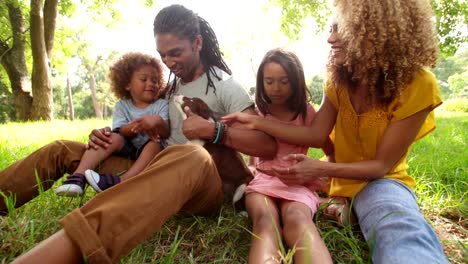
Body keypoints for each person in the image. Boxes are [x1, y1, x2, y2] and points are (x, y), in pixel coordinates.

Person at [6, 4, 276, 263]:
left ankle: (67, 250)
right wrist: (107, 136)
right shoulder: (171, 86)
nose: (169, 62)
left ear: (198, 43)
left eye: (176, 52)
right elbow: (145, 121)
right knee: (63, 149)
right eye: (163, 55)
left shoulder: (225, 86)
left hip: (201, 183)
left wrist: (215, 131)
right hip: (151, 169)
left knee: (191, 153)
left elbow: (266, 145)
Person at [222, 0, 448, 262]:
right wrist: (258, 123)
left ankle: (351, 209)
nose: (331, 38)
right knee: (270, 221)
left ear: (376, 30)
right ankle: (345, 207)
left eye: (343, 28)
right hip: (334, 184)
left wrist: (319, 169)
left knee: (398, 226)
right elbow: (317, 136)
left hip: (377, 183)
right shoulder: (339, 80)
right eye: (331, 27)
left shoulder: (418, 84)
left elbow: (379, 167)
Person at [245, 48, 333, 263]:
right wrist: (253, 167)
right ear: (261, 82)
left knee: (297, 218)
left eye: (284, 81)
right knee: (265, 221)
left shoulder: (306, 113)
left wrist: (329, 175)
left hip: (297, 183)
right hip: (264, 182)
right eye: (269, 81)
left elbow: (329, 149)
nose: (276, 88)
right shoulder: (258, 112)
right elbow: (255, 149)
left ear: (296, 81)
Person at [55, 52, 169, 196]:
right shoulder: (122, 105)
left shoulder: (161, 105)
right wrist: (138, 125)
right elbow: (121, 131)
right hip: (128, 149)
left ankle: (122, 181)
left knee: (155, 143)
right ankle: (78, 177)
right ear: (127, 84)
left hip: (150, 153)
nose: (151, 84)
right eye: (144, 79)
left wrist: (157, 122)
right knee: (110, 136)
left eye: (155, 80)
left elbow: (166, 131)